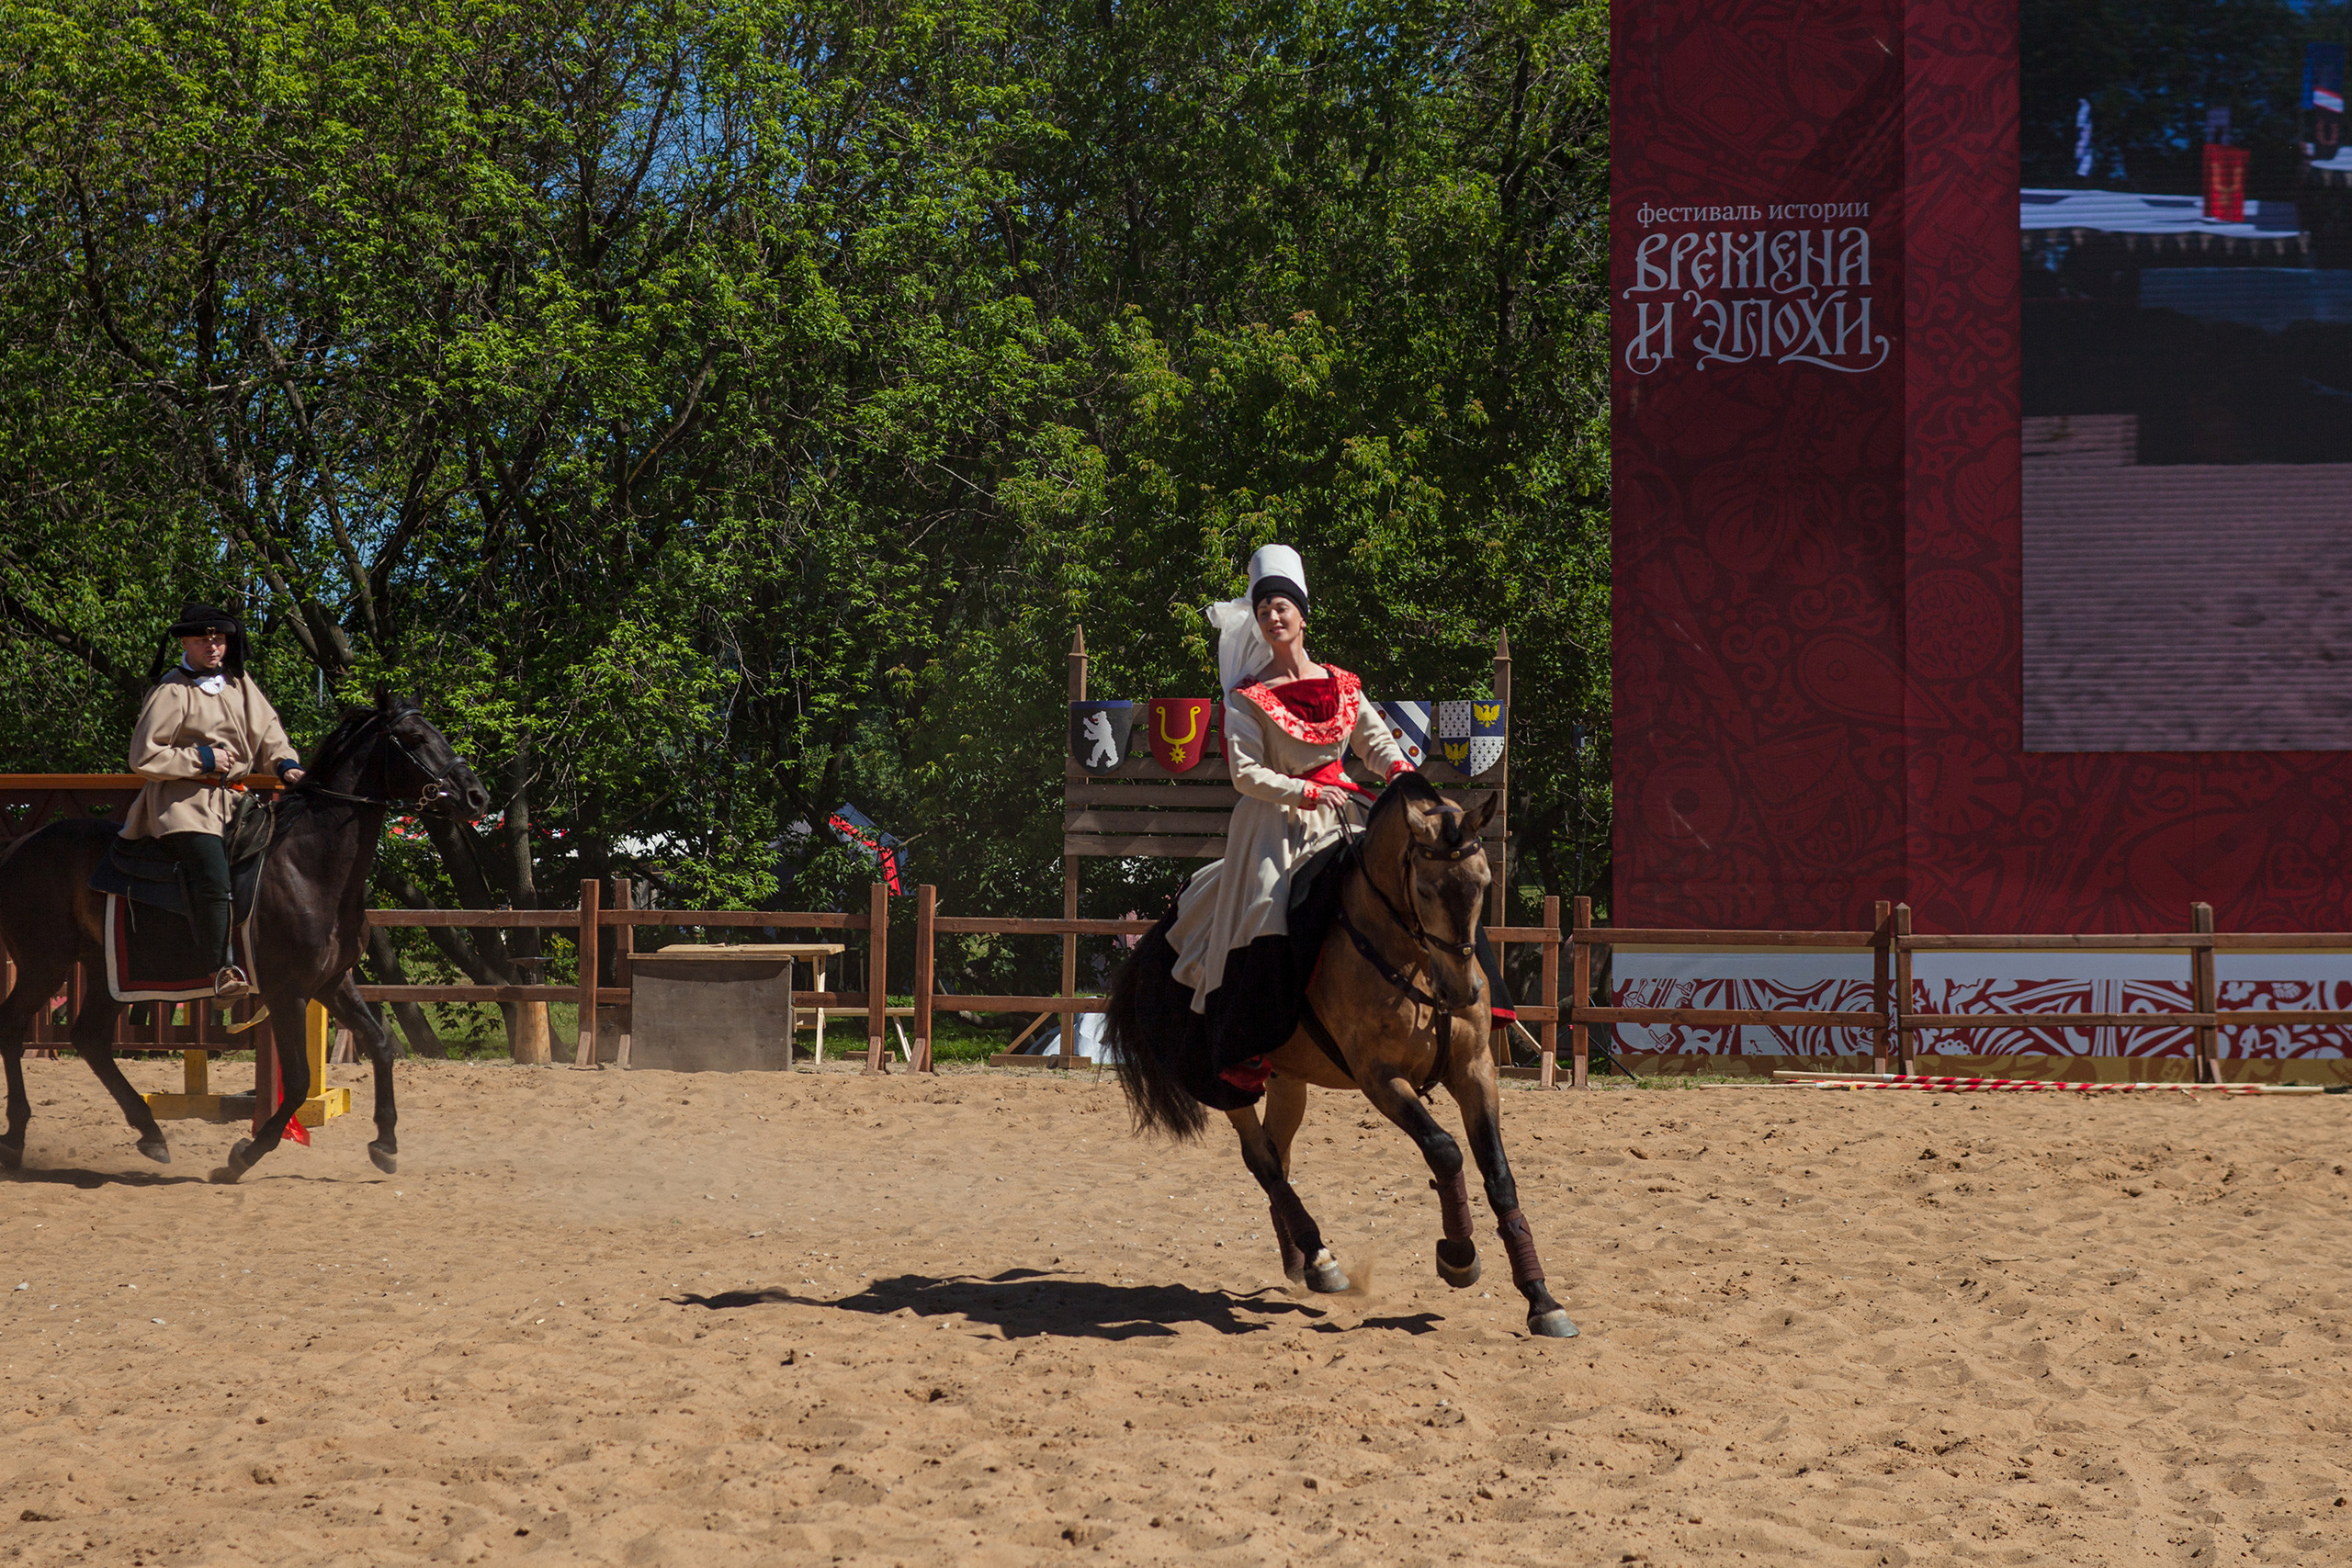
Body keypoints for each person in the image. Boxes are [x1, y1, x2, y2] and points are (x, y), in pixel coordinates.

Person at [1161, 545, 1419, 1089]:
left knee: (1420, 879)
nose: (1273, 617)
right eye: (1263, 611)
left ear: (1303, 614)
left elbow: (1374, 742)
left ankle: (1466, 1009)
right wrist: (1302, 791)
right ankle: (1252, 1041)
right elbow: (1245, 773)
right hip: (1274, 823)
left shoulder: (1342, 684)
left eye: (1282, 607)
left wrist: (1398, 770)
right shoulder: (1248, 697)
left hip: (1345, 812)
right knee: (1266, 908)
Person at [120, 602, 305, 998]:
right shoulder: (171, 689)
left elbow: (269, 731)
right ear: (185, 643)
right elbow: (143, 757)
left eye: (219, 639)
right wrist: (202, 759)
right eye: (203, 640)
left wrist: (286, 765)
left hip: (236, 802)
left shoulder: (240, 682)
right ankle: (221, 970)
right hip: (182, 804)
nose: (213, 647)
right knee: (213, 879)